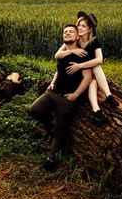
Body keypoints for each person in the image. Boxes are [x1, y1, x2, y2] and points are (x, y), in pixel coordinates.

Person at [29, 24, 93, 172]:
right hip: (53, 93)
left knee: (61, 130)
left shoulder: (83, 54)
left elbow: (87, 78)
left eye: (71, 31)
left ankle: (51, 160)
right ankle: (49, 129)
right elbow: (59, 70)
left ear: (78, 36)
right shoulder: (63, 51)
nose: (68, 33)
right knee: (34, 110)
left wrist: (75, 95)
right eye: (65, 32)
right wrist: (52, 82)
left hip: (66, 99)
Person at [54, 11, 119, 123]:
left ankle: (104, 100)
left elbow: (99, 60)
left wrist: (80, 65)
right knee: (92, 77)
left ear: (90, 29)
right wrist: (73, 51)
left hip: (88, 71)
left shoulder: (94, 42)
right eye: (79, 25)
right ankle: (101, 105)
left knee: (95, 67)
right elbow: (57, 55)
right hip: (80, 75)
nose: (79, 28)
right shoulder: (76, 40)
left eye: (83, 26)